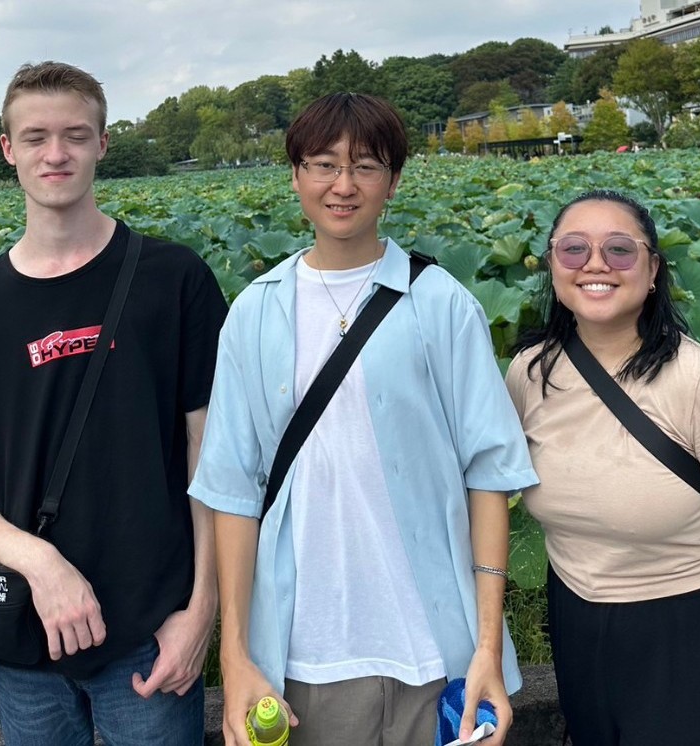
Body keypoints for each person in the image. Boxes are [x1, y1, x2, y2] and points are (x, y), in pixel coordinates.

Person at [189, 92, 538, 746]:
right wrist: (234, 656)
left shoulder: (442, 304)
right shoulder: (255, 313)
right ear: (296, 175)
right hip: (301, 659)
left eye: (366, 166)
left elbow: (489, 476)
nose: (343, 185)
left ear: (394, 180)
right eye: (324, 164)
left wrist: (488, 647)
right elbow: (233, 491)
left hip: (439, 655)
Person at [0, 61, 228, 745]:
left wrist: (202, 608)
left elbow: (211, 455)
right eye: (36, 137)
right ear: (8, 149)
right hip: (25, 639)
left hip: (151, 633)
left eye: (75, 135)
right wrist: (41, 562)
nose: (55, 153)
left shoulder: (175, 280)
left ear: (102, 144)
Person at [505, 189, 700, 745]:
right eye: (574, 248)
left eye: (619, 249)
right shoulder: (530, 373)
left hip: (694, 638)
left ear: (653, 269)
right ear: (553, 265)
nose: (595, 264)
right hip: (577, 626)